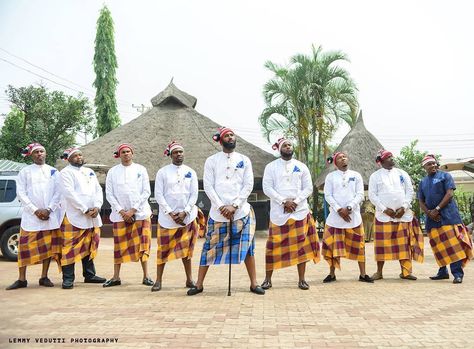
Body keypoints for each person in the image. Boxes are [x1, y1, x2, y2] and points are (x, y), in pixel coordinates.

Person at [187, 127, 265, 296]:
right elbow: (208, 186)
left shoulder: (245, 159)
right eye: (227, 136)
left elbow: (248, 185)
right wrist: (221, 206)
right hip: (218, 213)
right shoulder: (212, 161)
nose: (230, 137)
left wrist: (235, 205)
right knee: (208, 248)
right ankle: (199, 284)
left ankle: (254, 283)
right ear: (220, 140)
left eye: (232, 135)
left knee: (248, 248)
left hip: (241, 212)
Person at [261, 138, 320, 290]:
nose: (288, 147)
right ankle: (268, 279)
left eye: (290, 145)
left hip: (299, 211)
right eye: (285, 145)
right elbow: (267, 188)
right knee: (272, 246)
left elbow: (308, 188)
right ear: (279, 149)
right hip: (279, 213)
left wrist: (296, 202)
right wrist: (283, 201)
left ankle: (302, 280)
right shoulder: (271, 167)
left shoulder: (301, 166)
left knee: (302, 247)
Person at [6, 143, 61, 290]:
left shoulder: (54, 171)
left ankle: (44, 277)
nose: (39, 154)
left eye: (42, 151)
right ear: (31, 155)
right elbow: (21, 193)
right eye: (36, 152)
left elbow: (58, 193)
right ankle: (22, 279)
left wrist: (49, 209)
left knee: (48, 249)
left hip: (49, 216)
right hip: (31, 218)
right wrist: (35, 210)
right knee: (24, 248)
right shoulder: (25, 172)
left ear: (46, 153)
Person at [152, 141, 205, 292]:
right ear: (170, 155)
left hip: (187, 217)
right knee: (162, 250)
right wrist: (170, 212)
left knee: (186, 251)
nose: (179, 154)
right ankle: (158, 280)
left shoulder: (191, 171)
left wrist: (185, 211)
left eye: (181, 152)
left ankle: (189, 279)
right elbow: (159, 195)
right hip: (167, 219)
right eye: (175, 152)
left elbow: (194, 194)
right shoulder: (162, 172)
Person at [368, 149, 424, 280]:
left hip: (402, 215)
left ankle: (406, 272)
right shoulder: (375, 176)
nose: (392, 159)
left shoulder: (402, 173)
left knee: (404, 244)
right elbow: (372, 195)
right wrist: (384, 209)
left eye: (392, 156)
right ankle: (379, 272)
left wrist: (404, 207)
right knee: (381, 245)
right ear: (381, 161)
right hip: (384, 216)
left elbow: (410, 191)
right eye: (388, 157)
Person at [103, 144, 153, 288]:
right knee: (119, 246)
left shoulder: (141, 169)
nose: (125, 154)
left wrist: (133, 210)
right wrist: (122, 211)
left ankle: (146, 276)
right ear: (119, 155)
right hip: (120, 216)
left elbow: (146, 192)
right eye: (123, 152)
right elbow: (110, 194)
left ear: (132, 153)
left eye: (128, 152)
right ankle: (116, 277)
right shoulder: (113, 172)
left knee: (143, 245)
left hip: (141, 213)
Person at [418, 154, 473, 283]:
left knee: (453, 246)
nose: (432, 166)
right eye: (429, 164)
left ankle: (457, 274)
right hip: (432, 220)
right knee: (438, 246)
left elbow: (449, 194)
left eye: (433, 163)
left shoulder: (445, 176)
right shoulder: (423, 182)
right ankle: (442, 272)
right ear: (424, 167)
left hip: (448, 217)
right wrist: (429, 213)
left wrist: (436, 209)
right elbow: (421, 201)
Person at [57, 148, 106, 289]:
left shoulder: (89, 171)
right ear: (68, 159)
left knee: (89, 244)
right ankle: (68, 279)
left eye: (80, 155)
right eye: (75, 156)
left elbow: (98, 190)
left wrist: (97, 206)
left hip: (92, 215)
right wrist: (85, 209)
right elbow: (69, 193)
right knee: (69, 247)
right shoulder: (65, 173)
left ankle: (89, 275)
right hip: (74, 215)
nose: (79, 157)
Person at [322, 151, 373, 283]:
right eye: (340, 158)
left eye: (344, 157)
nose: (343, 159)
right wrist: (339, 209)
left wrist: (349, 208)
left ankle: (363, 274)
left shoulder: (356, 175)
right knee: (332, 247)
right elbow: (328, 195)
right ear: (335, 163)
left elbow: (360, 194)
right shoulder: (330, 177)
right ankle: (332, 274)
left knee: (360, 246)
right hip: (335, 218)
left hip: (353, 217)